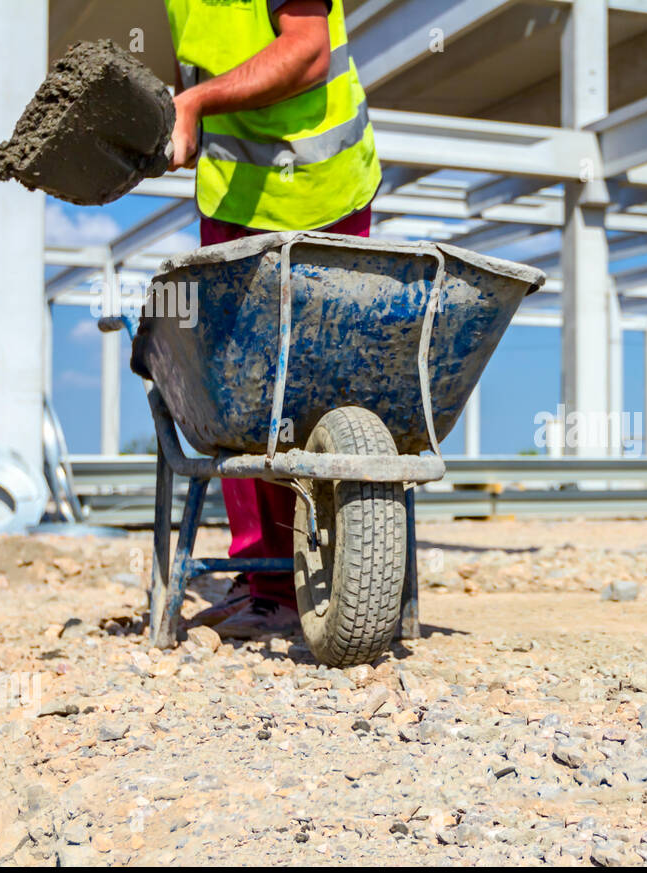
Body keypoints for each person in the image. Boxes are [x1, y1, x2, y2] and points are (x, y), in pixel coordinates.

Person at [163, 0, 381, 637]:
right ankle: (265, 578)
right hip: (235, 193)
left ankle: (311, 574)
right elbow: (198, 70)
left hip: (320, 191)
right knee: (231, 385)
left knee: (311, 383)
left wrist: (197, 102)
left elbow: (308, 51)